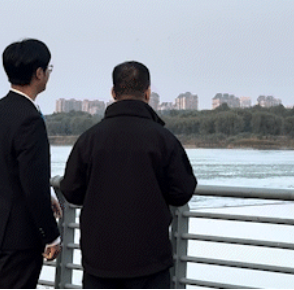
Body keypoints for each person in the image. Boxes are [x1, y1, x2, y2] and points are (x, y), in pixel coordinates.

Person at [60, 61, 197, 289]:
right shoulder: (163, 139)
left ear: (113, 93)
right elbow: (182, 191)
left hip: (99, 261)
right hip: (150, 261)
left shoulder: (90, 139)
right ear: (148, 93)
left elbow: (71, 191)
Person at [0, 39, 62, 289]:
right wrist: (51, 235)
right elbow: (32, 182)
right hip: (19, 234)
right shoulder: (29, 118)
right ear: (38, 73)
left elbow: (9, 168)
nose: (48, 74)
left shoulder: (1, 108)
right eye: (48, 69)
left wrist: (46, 195)